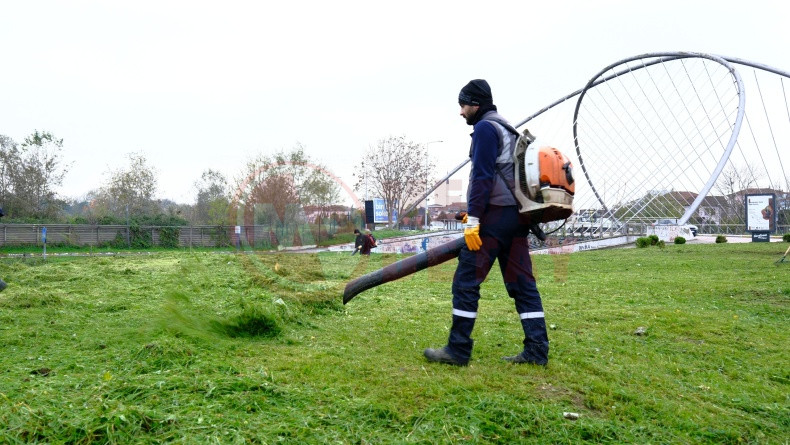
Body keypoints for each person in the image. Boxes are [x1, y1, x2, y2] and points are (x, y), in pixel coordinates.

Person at [423, 79, 549, 366]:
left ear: (475, 104)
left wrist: (475, 220)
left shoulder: (484, 128)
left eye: (463, 105)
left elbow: (482, 177)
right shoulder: (506, 127)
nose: (461, 112)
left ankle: (457, 350)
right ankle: (537, 350)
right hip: (516, 217)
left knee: (466, 281)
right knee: (522, 284)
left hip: (494, 218)